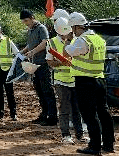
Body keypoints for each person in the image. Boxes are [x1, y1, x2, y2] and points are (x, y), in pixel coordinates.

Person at [65, 12, 115, 156]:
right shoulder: (98, 39)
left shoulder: (82, 40)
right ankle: (108, 144)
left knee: (89, 114)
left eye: (72, 28)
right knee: (103, 112)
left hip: (85, 82)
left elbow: (67, 52)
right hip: (100, 79)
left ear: (75, 27)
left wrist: (68, 41)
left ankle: (94, 146)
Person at [47, 15, 86, 145]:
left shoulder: (76, 39)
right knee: (64, 108)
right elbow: (49, 61)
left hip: (75, 78)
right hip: (61, 80)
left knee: (77, 108)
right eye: (63, 34)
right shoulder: (51, 42)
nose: (65, 36)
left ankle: (80, 135)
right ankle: (66, 135)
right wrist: (61, 63)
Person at [19, 9, 58, 125]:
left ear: (32, 17)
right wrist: (23, 52)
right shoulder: (30, 30)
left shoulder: (41, 28)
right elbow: (30, 44)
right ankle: (44, 114)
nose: (26, 23)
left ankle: (52, 117)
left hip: (43, 64)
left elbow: (45, 42)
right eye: (24, 21)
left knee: (47, 91)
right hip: (34, 65)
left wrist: (32, 52)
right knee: (39, 91)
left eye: (26, 20)